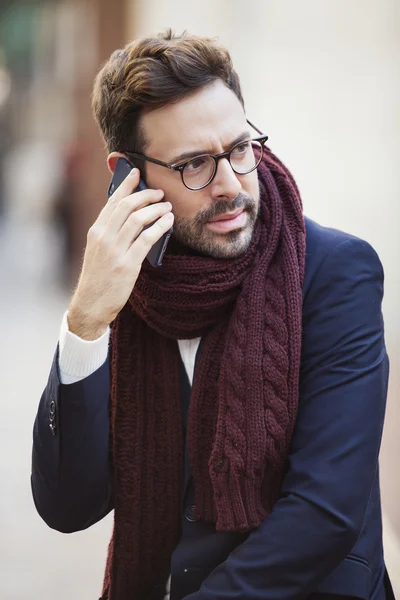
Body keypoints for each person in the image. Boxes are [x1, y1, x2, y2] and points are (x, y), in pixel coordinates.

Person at [31, 30, 394, 600]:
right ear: (130, 174)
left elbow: (325, 510)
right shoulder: (123, 281)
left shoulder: (335, 273)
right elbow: (68, 506)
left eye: (241, 148)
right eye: (195, 164)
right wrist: (86, 323)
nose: (230, 185)